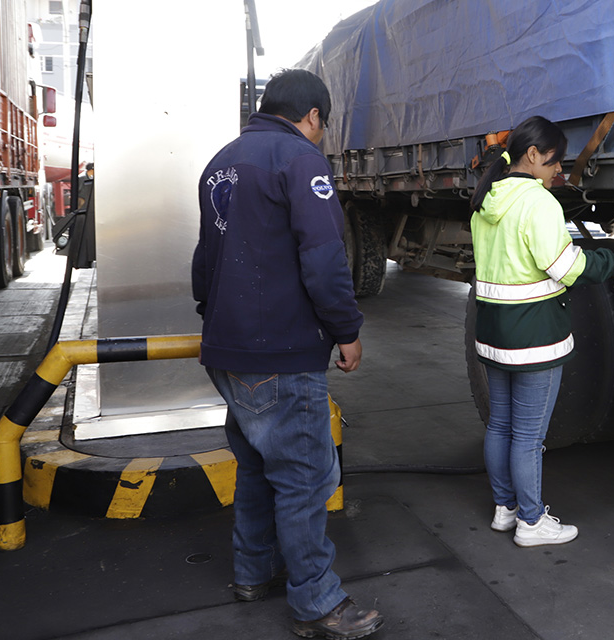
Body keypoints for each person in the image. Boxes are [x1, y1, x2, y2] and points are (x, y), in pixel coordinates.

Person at [192, 69, 382, 639]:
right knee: (302, 477)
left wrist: (215, 318)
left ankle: (254, 572)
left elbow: (205, 259)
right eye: (324, 124)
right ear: (314, 116)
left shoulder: (220, 161)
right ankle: (318, 604)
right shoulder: (300, 161)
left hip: (228, 347)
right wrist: (346, 329)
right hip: (282, 348)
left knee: (254, 467)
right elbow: (324, 258)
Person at [469, 115, 614, 547]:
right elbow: (565, 266)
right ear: (532, 156)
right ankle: (531, 521)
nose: (558, 171)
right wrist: (613, 263)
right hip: (533, 338)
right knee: (527, 437)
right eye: (554, 161)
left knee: (500, 426)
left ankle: (505, 509)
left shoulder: (487, 199)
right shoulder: (538, 202)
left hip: (493, 335)